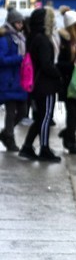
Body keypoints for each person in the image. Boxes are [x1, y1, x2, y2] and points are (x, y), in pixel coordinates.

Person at [19, 7, 62, 163]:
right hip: (46, 84)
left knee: (40, 118)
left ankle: (27, 146)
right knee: (45, 117)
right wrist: (60, 73)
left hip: (38, 84)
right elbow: (46, 64)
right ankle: (44, 148)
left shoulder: (33, 36)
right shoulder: (43, 39)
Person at [56, 10, 76, 155]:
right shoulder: (64, 40)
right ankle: (71, 142)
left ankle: (67, 133)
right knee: (72, 113)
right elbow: (59, 63)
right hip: (68, 82)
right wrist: (72, 65)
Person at [0, 8, 27, 152]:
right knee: (11, 111)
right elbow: (1, 59)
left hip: (19, 79)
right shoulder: (5, 38)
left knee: (23, 111)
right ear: (11, 22)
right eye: (18, 22)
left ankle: (5, 133)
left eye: (21, 22)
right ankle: (9, 138)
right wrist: (19, 59)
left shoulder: (20, 37)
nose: (20, 25)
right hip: (9, 80)